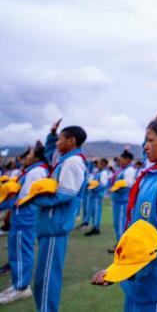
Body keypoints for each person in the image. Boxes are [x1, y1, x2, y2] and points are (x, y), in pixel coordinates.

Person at [91, 116, 157, 311]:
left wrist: (129, 270)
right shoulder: (153, 172)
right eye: (145, 140)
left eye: (150, 140)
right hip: (139, 280)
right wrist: (122, 269)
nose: (145, 147)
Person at [31, 124, 88, 312]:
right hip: (50, 226)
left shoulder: (73, 162)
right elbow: (49, 153)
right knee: (42, 279)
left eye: (61, 138)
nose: (58, 142)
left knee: (47, 280)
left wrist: (35, 197)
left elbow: (65, 194)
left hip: (55, 226)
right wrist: (51, 134)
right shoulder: (66, 159)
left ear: (71, 141)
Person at [0, 142, 49, 305]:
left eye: (28, 154)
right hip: (21, 217)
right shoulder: (31, 170)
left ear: (36, 157)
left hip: (26, 217)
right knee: (15, 251)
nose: (25, 157)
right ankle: (16, 284)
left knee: (22, 252)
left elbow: (27, 198)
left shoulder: (36, 172)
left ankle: (22, 287)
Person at [109, 150, 137, 250]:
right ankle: (120, 243)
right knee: (117, 223)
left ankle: (122, 246)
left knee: (122, 223)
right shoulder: (121, 169)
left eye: (121, 160)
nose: (119, 162)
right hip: (117, 201)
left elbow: (127, 185)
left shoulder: (129, 171)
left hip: (123, 201)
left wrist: (118, 190)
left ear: (128, 160)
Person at [86, 158, 112, 237]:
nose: (98, 165)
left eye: (100, 163)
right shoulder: (98, 172)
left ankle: (96, 228)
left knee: (96, 212)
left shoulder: (103, 173)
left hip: (97, 196)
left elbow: (104, 185)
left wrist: (95, 188)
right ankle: (94, 226)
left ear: (104, 164)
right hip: (94, 195)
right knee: (94, 212)